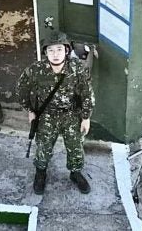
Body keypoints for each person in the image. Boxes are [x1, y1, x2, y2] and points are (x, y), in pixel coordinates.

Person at [16, 31, 95, 195]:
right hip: (46, 116)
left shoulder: (76, 68)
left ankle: (75, 173)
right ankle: (41, 173)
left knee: (75, 147)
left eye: (59, 49)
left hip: (71, 115)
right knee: (43, 147)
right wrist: (30, 110)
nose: (55, 54)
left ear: (66, 50)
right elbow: (21, 89)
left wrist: (86, 117)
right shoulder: (36, 70)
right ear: (45, 52)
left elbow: (87, 93)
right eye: (50, 50)